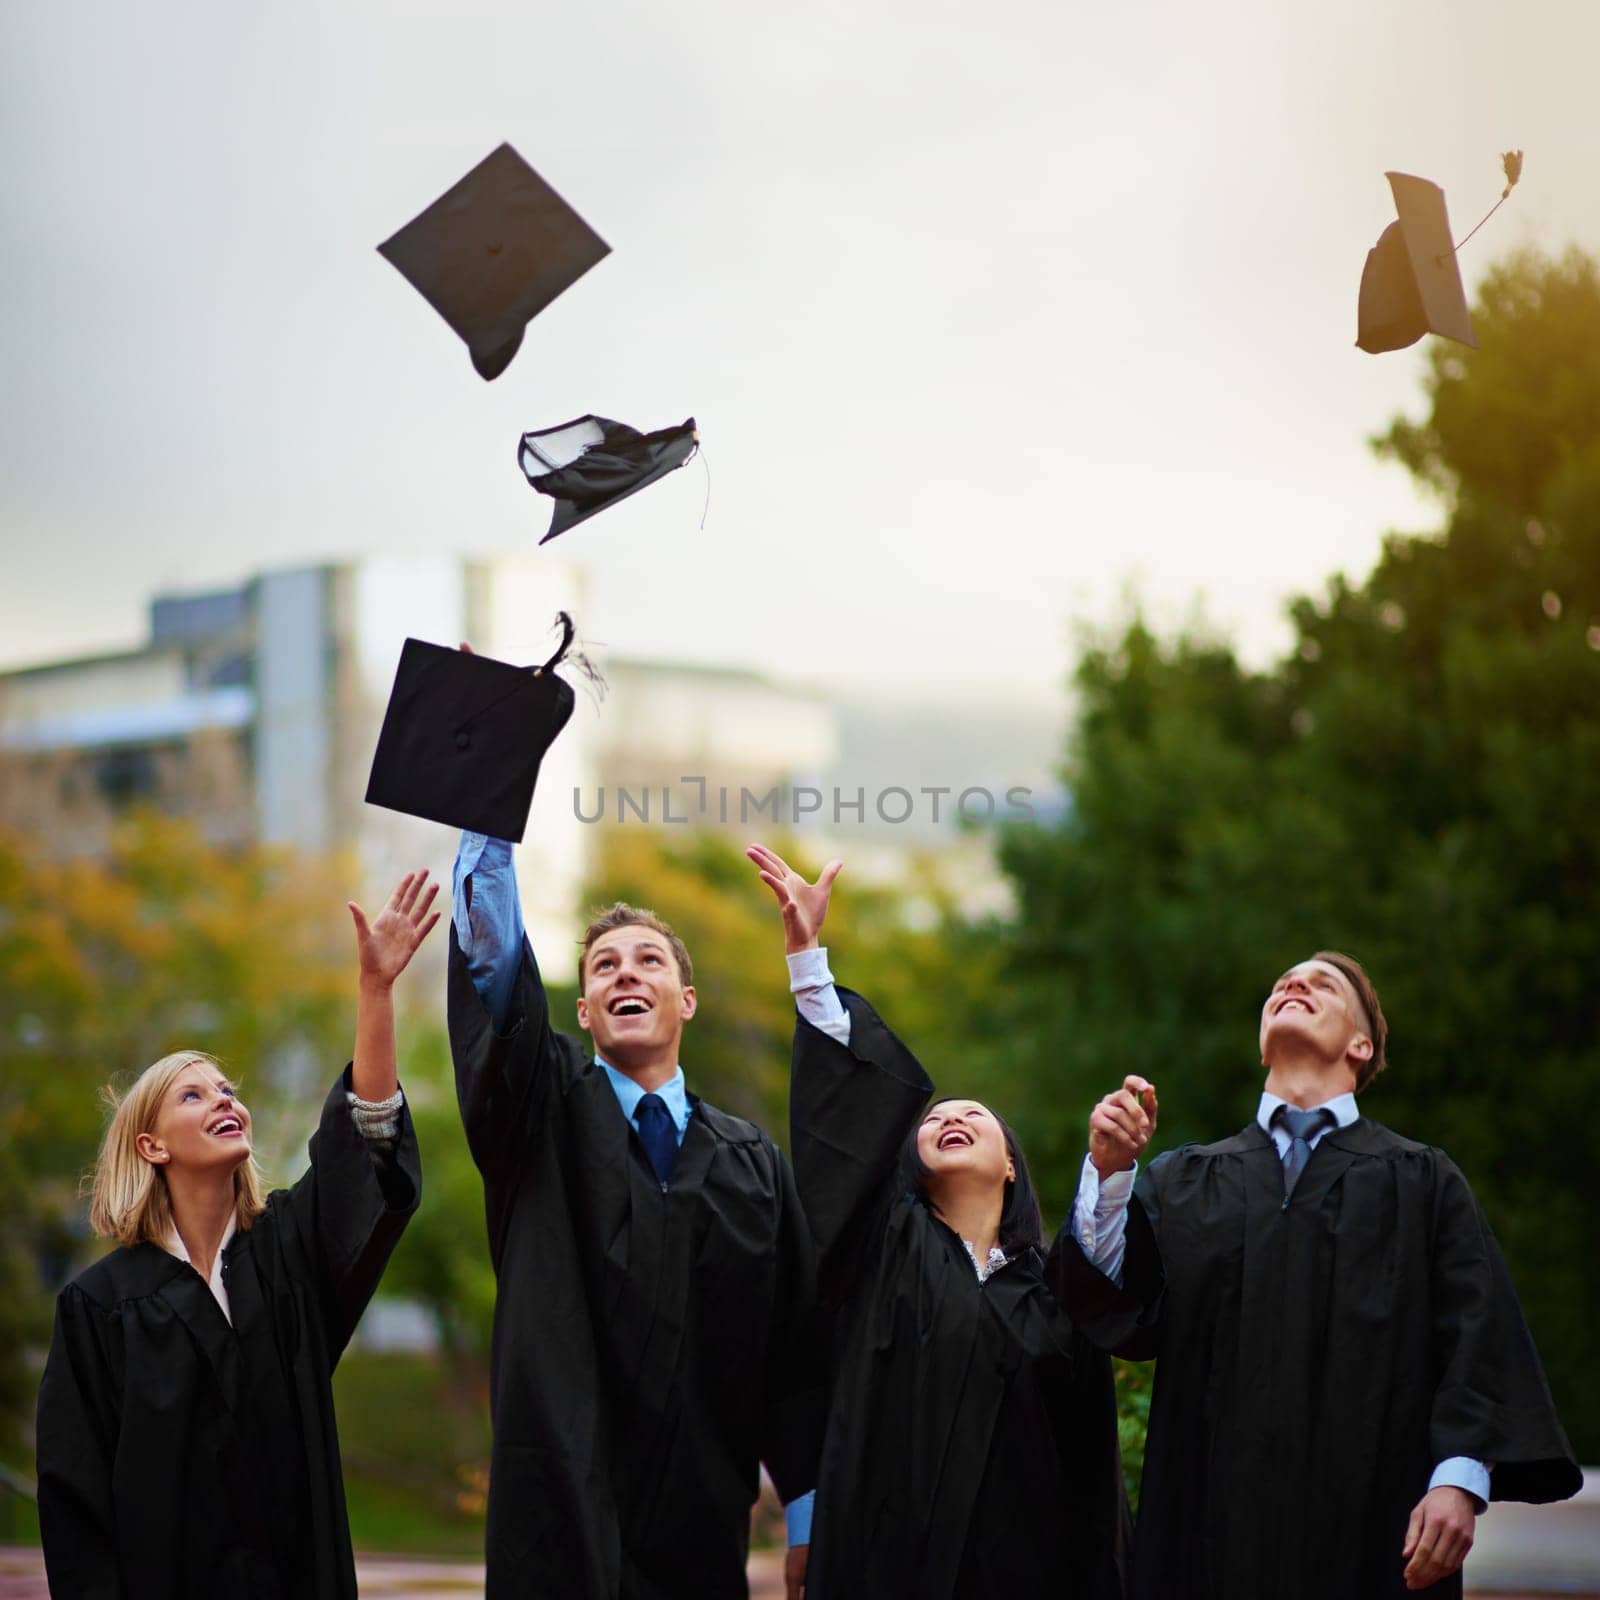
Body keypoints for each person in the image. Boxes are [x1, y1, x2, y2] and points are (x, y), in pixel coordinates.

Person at [1074, 950, 1582, 1599]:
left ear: (1361, 1045)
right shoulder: (1185, 1180)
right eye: (1283, 983)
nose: (1293, 984)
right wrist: (1112, 1172)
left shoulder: (1422, 1179)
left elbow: (1478, 1333)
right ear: (1262, 1045)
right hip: (1209, 1532)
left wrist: (1457, 1479)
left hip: (1374, 1530)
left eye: (1323, 985)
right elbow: (1116, 1308)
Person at [35, 868, 438, 1600]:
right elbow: (77, 1511)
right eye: (194, 1094)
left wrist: (375, 992)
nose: (225, 1099)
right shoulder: (97, 1310)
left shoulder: (288, 1253)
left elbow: (364, 1148)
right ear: (151, 1146)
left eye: (228, 1090)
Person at [747, 843, 1130, 1600]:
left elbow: (1090, 1465)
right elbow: (847, 1138)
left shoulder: (1054, 1299)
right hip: (888, 1567)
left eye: (974, 1115)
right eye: (938, 1117)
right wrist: (808, 960)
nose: (951, 1114)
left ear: (1013, 1167)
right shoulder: (882, 1251)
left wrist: (1113, 1169)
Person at [447, 827, 822, 1599]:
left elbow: (797, 1358)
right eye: (604, 966)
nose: (627, 973)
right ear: (582, 1011)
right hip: (561, 1527)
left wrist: (812, 1522)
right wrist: (489, 804)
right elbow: (496, 978)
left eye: (648, 960)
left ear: (685, 1001)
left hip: (702, 1530)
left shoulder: (752, 1163)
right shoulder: (538, 1119)